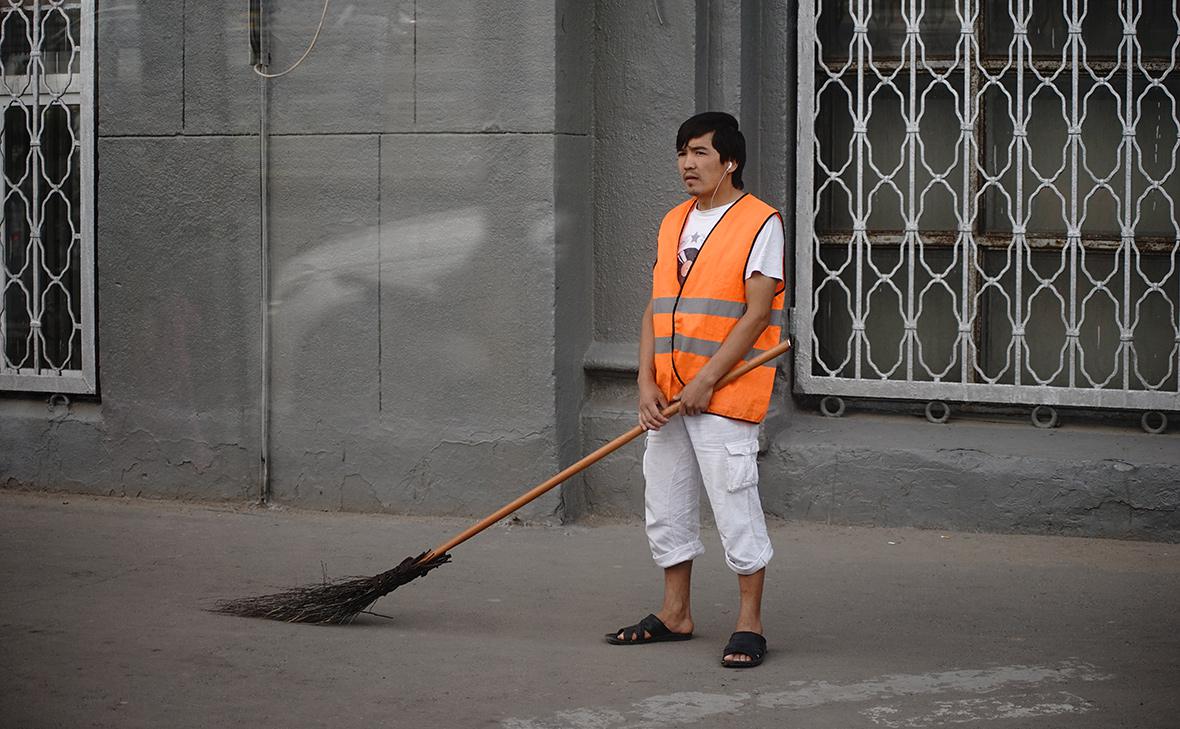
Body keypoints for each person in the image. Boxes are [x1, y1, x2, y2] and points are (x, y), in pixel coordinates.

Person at [606, 111, 785, 669]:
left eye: (701, 152)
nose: (687, 163)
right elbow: (656, 308)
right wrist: (643, 381)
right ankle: (675, 613)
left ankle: (749, 624)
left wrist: (708, 380)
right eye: (683, 152)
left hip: (724, 393)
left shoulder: (761, 222)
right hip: (668, 395)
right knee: (665, 502)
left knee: (735, 503)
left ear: (729, 161)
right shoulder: (672, 222)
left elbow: (757, 316)